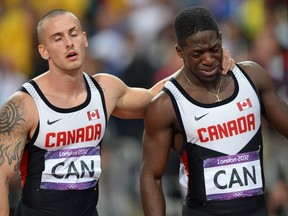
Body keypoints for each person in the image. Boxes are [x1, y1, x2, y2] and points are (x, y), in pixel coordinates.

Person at [0, 9, 234, 216]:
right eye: (58, 38)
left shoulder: (105, 90)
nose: (69, 43)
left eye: (73, 34)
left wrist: (204, 61)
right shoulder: (24, 105)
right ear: (43, 51)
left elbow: (157, 99)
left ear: (84, 39)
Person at [139, 6, 288, 216]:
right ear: (180, 51)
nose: (208, 59)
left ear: (221, 39)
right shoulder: (166, 104)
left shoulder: (252, 78)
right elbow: (151, 177)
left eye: (214, 49)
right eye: (197, 54)